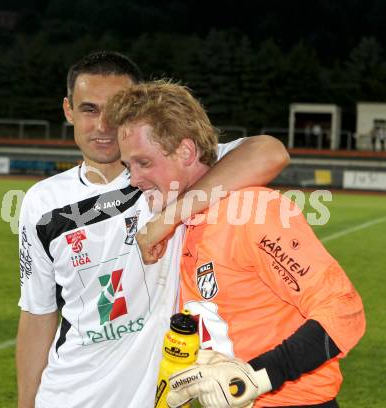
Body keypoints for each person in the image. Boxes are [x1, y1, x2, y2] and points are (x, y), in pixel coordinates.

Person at [16, 51, 290, 408]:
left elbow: (269, 152)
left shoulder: (173, 171)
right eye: (89, 109)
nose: (102, 125)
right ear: (68, 110)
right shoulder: (42, 203)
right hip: (66, 395)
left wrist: (167, 218)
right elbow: (37, 317)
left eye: (114, 110)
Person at [104, 80, 366, 408]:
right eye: (128, 166)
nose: (134, 178)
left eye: (144, 163)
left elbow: (344, 310)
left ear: (186, 151)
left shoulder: (252, 212)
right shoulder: (182, 220)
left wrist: (255, 377)